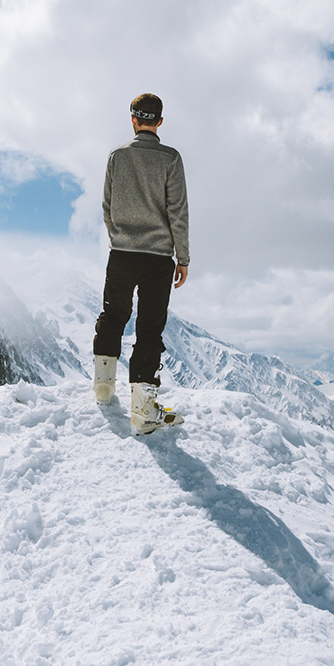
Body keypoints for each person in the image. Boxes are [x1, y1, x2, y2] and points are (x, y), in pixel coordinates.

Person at [93, 92, 189, 433]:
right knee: (149, 329)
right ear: (159, 122)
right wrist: (183, 257)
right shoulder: (171, 159)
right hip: (158, 258)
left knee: (114, 315)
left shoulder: (117, 157)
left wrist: (119, 237)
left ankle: (103, 389)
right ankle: (145, 412)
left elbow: (107, 206)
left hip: (121, 253)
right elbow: (177, 213)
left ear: (133, 118)